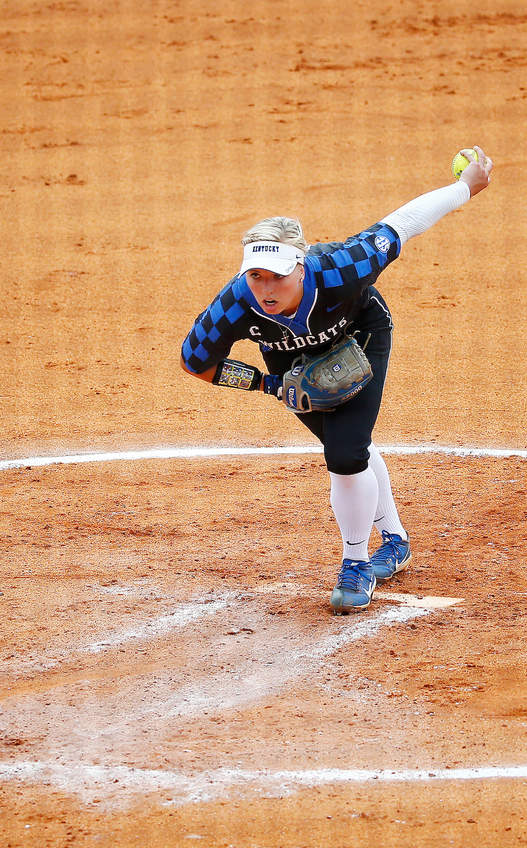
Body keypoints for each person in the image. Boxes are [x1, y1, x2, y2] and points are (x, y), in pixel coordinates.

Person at [180, 147, 494, 614]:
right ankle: (396, 541)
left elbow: (402, 222)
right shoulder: (234, 304)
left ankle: (356, 565)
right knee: (353, 447)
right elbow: (196, 362)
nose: (267, 289)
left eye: (279, 277)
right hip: (292, 367)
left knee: (344, 453)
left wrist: (465, 186)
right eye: (257, 277)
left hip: (361, 337)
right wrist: (270, 386)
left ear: (301, 267)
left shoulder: (343, 267)